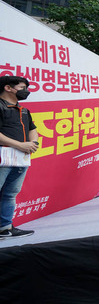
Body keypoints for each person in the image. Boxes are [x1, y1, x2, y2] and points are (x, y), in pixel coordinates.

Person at [0, 76, 38, 238]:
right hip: (4, 155)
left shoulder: (24, 110)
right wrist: (19, 144)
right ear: (8, 88)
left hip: (21, 157)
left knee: (10, 193)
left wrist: (32, 143)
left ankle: (5, 228)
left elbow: (32, 128)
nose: (26, 92)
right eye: (22, 88)